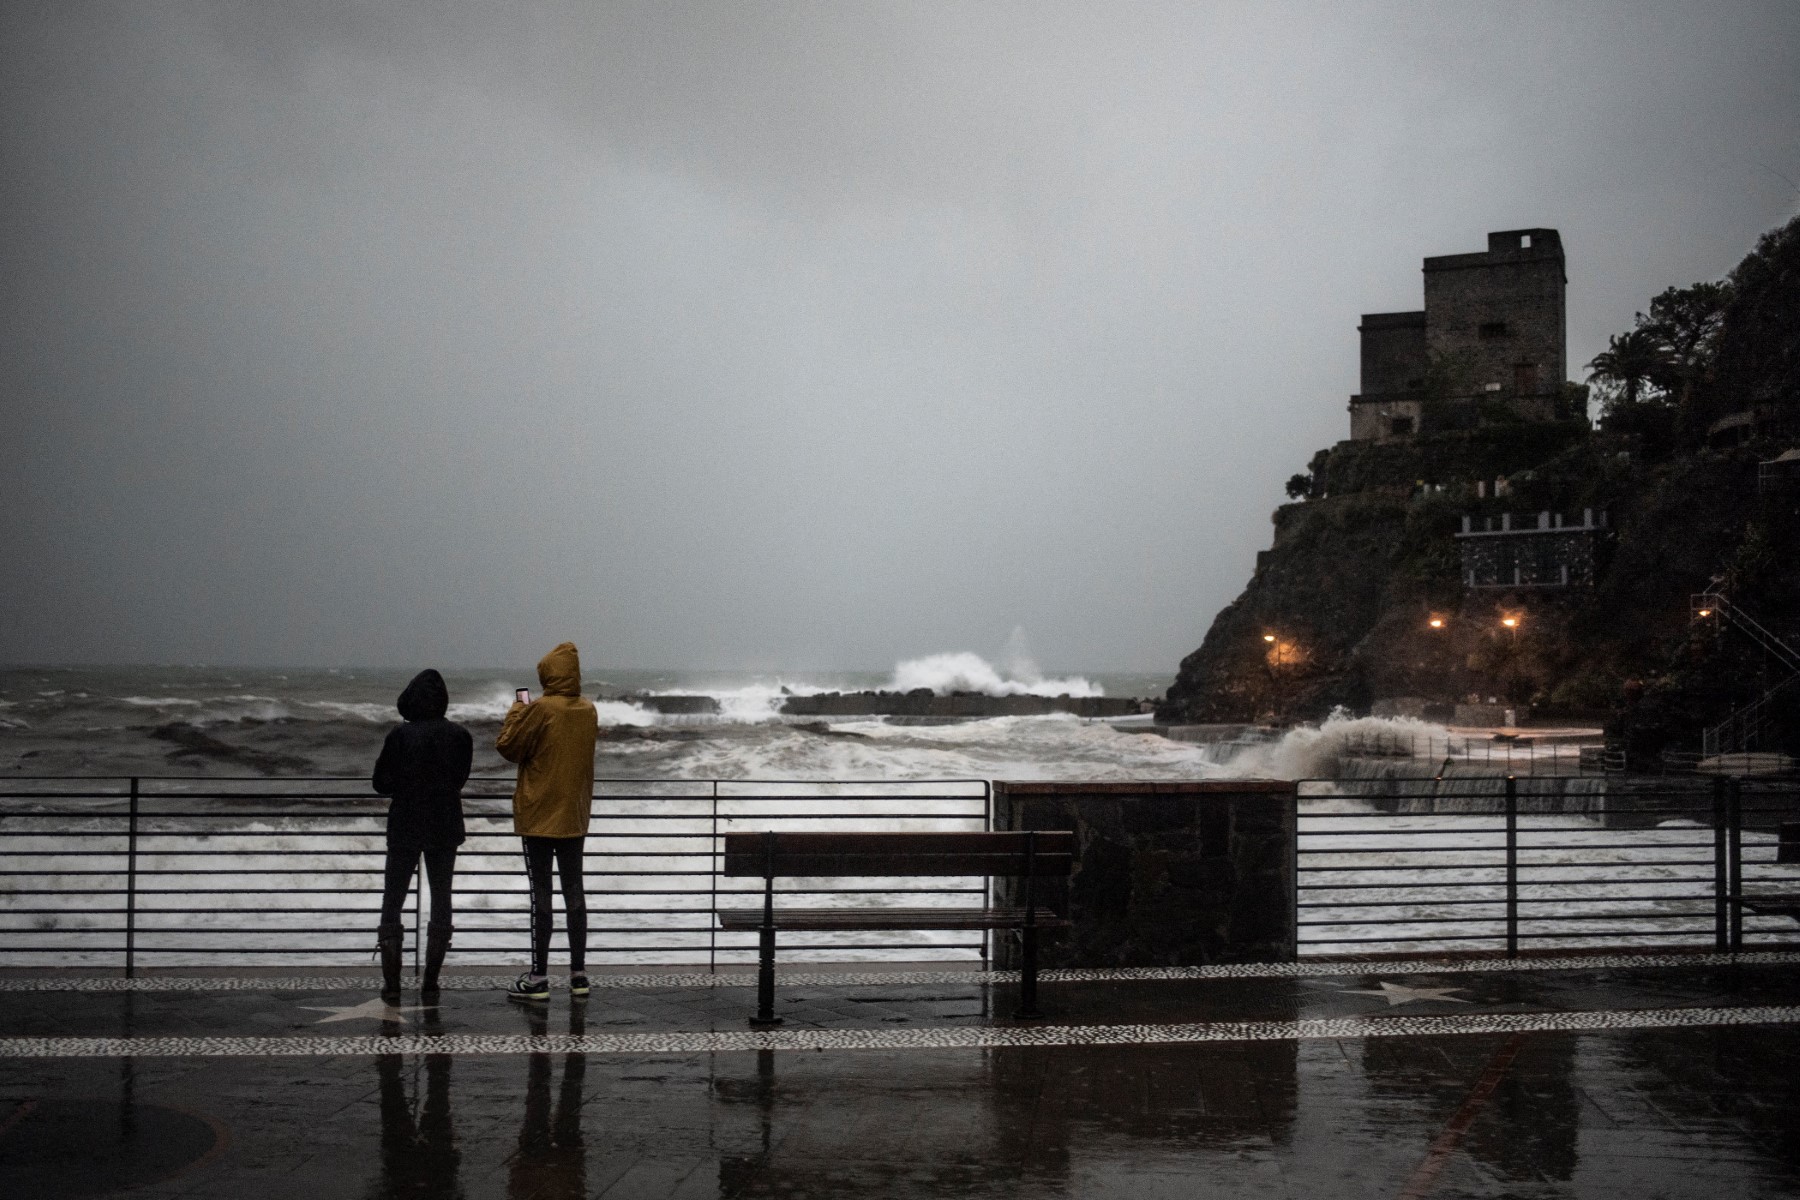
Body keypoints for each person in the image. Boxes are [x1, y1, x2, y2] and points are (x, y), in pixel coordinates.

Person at [497, 641, 599, 1002]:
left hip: (538, 815)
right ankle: (578, 976)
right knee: (575, 892)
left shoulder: (538, 709)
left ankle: (538, 977)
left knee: (541, 895)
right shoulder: (588, 710)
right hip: (574, 814)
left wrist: (517, 708)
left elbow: (508, 747)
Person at [371, 668, 473, 1006]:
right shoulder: (461, 736)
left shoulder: (400, 736)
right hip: (444, 825)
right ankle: (431, 981)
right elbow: (459, 780)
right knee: (442, 898)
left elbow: (380, 783)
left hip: (405, 825)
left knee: (393, 899)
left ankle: (392, 983)